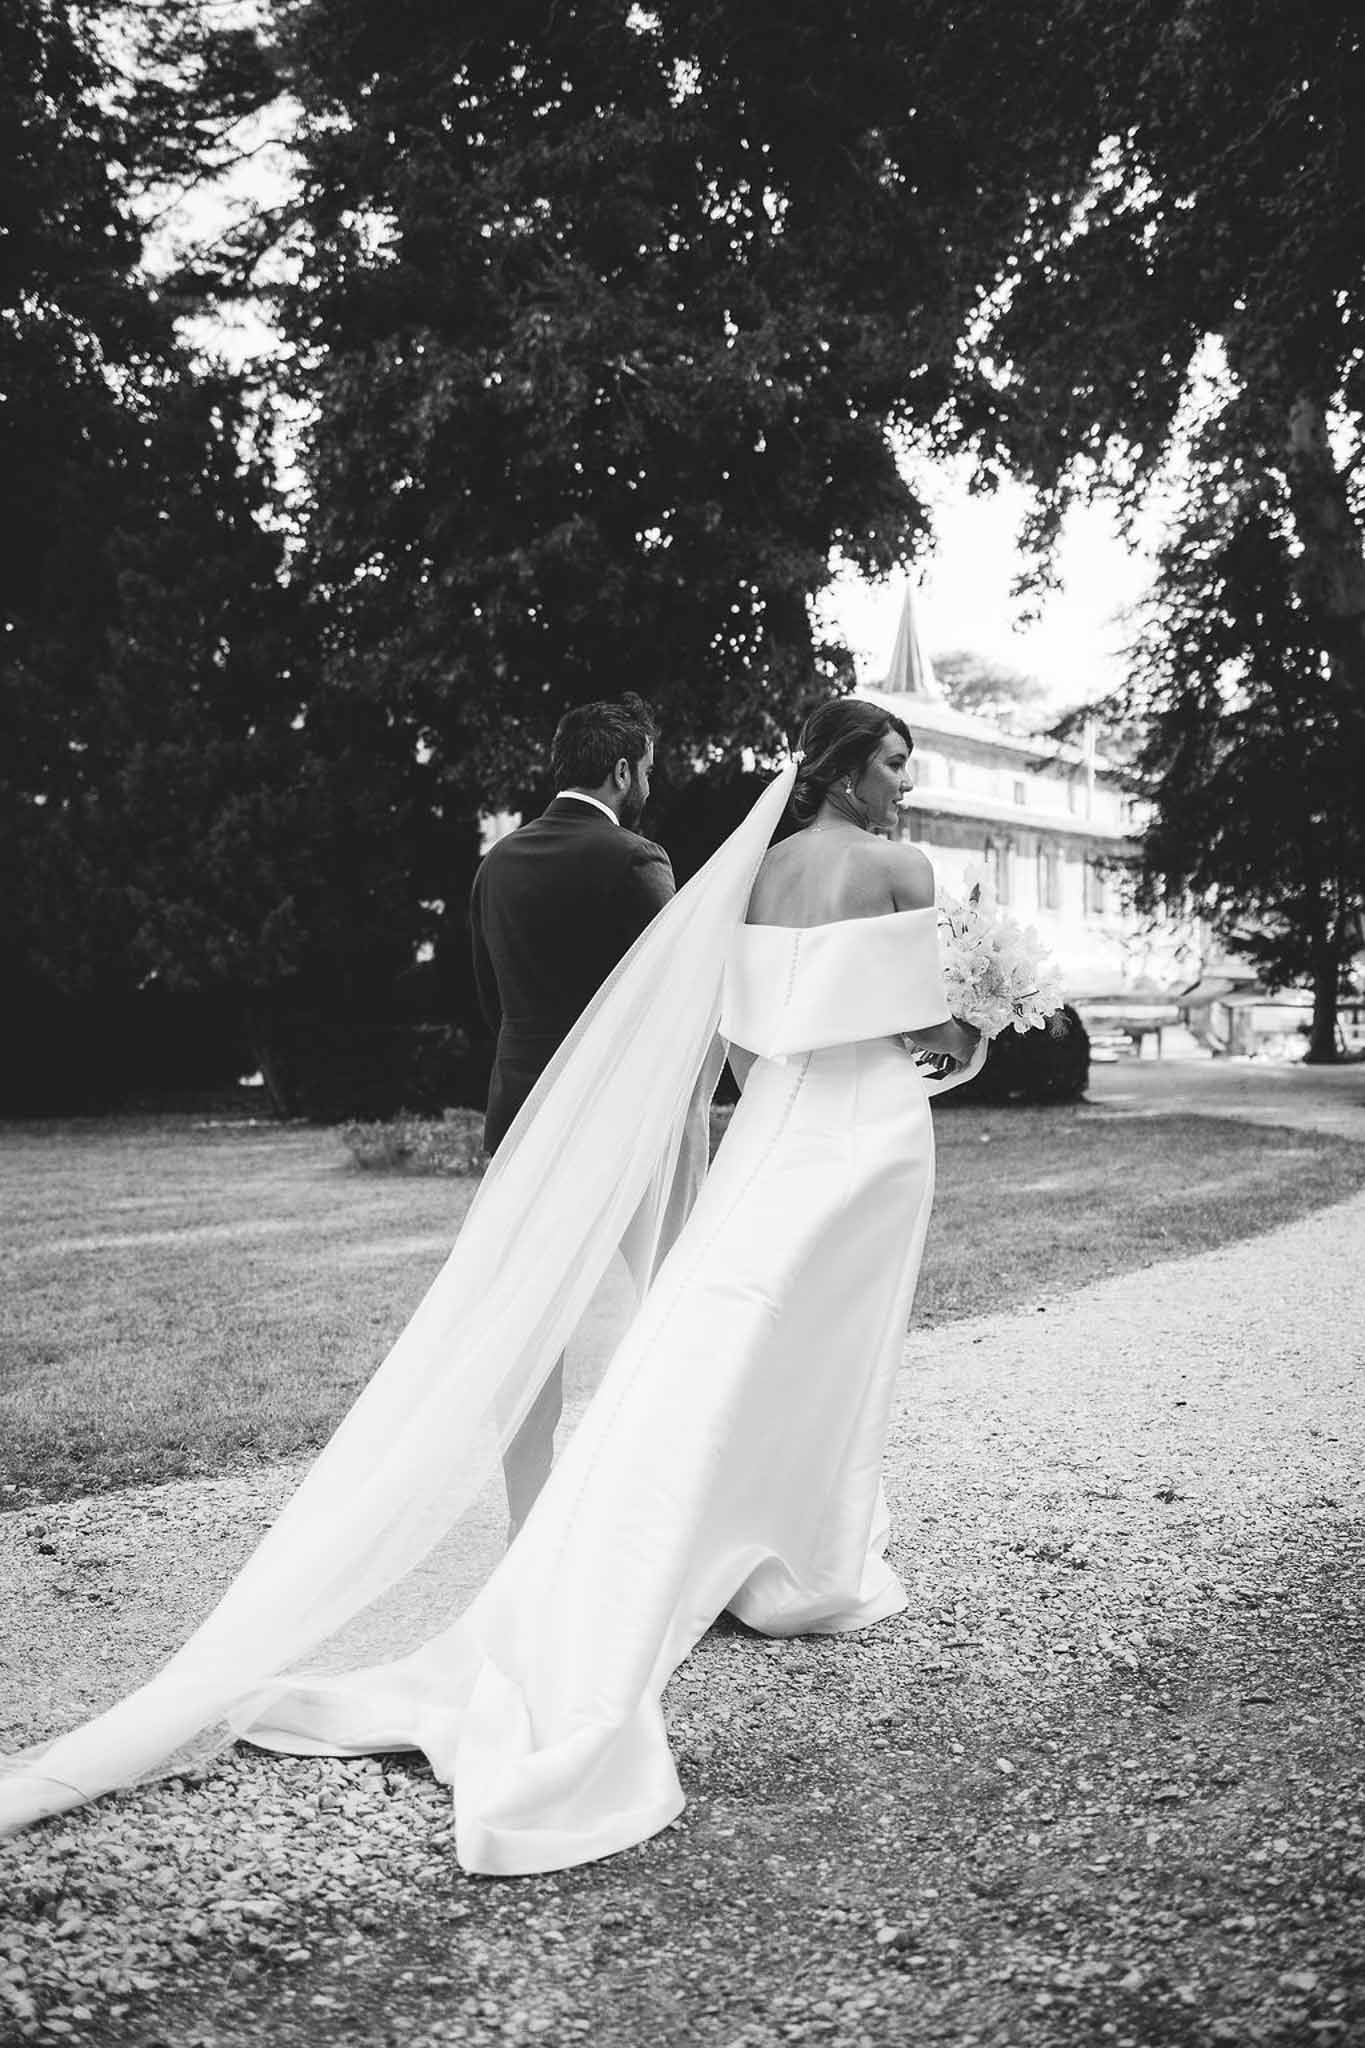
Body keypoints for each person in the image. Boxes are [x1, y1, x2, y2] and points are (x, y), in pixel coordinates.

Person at [0, 698, 982, 1872]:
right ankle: (750, 1538)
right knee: (722, 1326)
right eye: (893, 762)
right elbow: (786, 1007)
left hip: (543, 1113)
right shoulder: (687, 861)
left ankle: (556, 1520)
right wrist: (977, 1027)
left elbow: (540, 1000)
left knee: (589, 1330)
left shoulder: (532, 864)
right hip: (752, 1122)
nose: (902, 783)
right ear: (624, 767)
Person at [469, 694, 676, 1534]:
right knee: (668, 1295)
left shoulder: (498, 862)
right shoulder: (634, 860)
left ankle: (527, 1522)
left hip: (519, 1121)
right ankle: (662, 1507)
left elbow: (490, 1001)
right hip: (618, 1125)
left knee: (529, 1326)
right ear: (622, 769)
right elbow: (680, 994)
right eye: (649, 771)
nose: (650, 787)